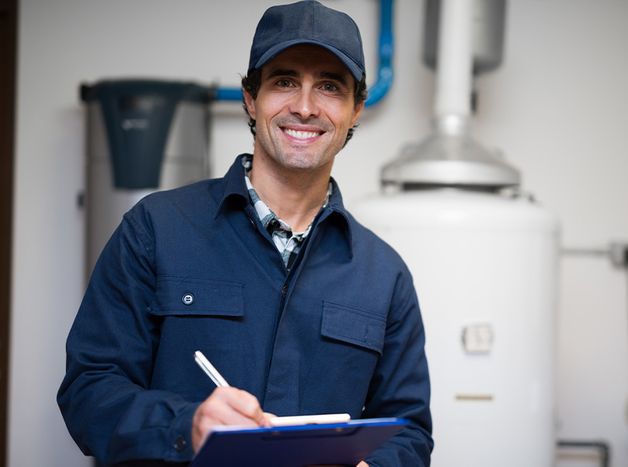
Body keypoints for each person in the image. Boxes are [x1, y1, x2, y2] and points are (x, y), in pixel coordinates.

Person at [57, 1, 432, 466]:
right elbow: (89, 389)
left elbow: (409, 429)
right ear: (250, 98)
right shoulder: (156, 228)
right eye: (284, 80)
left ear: (356, 110)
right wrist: (186, 426)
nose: (304, 106)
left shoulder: (384, 274)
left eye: (330, 86)